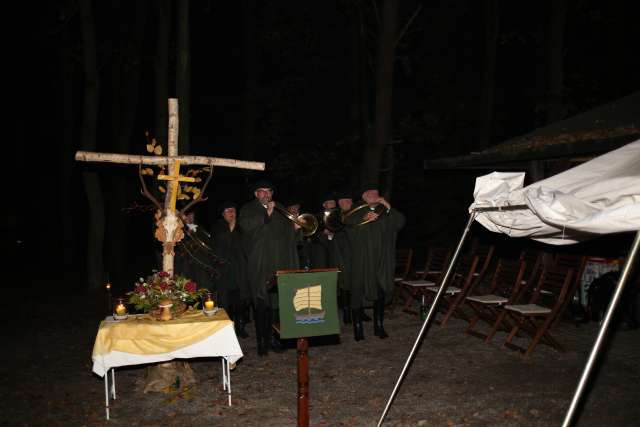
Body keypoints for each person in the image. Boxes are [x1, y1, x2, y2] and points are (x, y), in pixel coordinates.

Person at [239, 180, 301, 356]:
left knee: (276, 303)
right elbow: (247, 228)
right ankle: (262, 343)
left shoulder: (280, 208)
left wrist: (295, 229)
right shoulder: (248, 209)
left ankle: (276, 340)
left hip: (279, 261)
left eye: (269, 191)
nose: (266, 195)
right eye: (262, 191)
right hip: (259, 263)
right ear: (256, 194)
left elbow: (287, 234)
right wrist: (267, 213)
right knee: (261, 302)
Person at [348, 184, 405, 341]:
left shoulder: (385, 212)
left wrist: (388, 206)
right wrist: (364, 218)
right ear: (364, 196)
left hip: (381, 260)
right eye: (371, 193)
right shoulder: (356, 211)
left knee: (380, 291)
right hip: (362, 260)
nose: (375, 195)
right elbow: (347, 224)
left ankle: (379, 326)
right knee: (358, 293)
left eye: (377, 192)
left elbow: (399, 223)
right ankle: (358, 328)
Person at [211, 201, 250, 338]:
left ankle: (240, 327)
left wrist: (235, 228)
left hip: (239, 270)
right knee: (225, 302)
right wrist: (231, 229)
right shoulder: (218, 227)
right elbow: (221, 244)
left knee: (240, 301)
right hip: (224, 272)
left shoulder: (242, 227)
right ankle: (227, 329)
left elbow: (247, 245)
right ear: (223, 214)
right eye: (228, 211)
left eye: (233, 210)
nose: (231, 213)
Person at [174, 209, 219, 290]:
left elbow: (209, 245)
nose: (189, 217)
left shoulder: (200, 229)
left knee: (205, 289)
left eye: (191, 215)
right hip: (187, 267)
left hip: (203, 266)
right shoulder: (178, 231)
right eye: (186, 215)